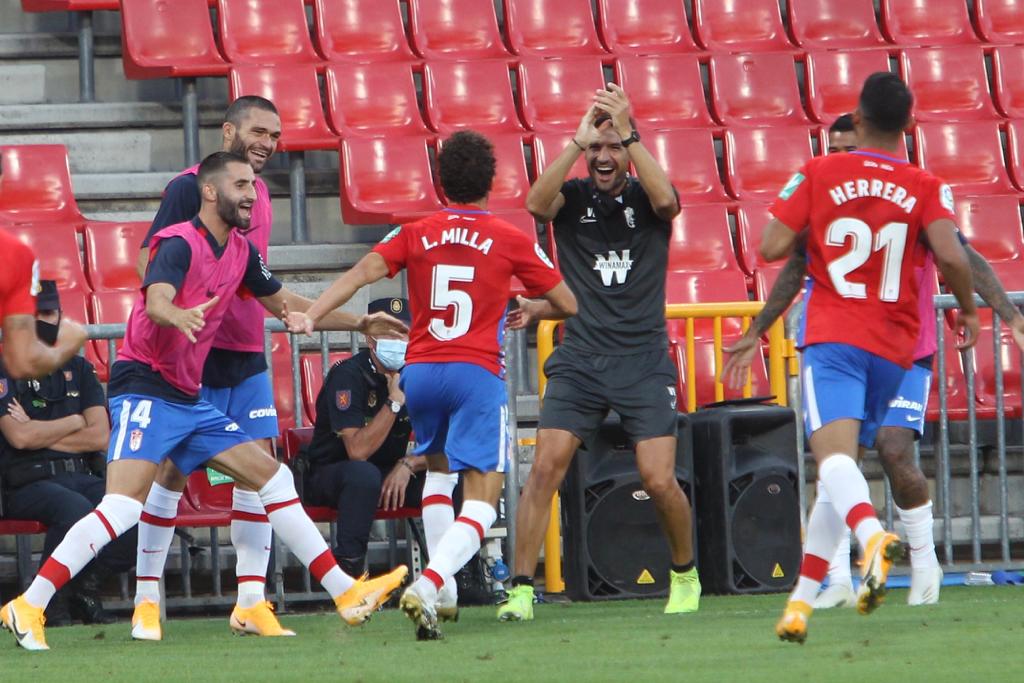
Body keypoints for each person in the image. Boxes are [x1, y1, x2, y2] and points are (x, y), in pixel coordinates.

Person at [0, 152, 409, 652]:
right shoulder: (177, 243)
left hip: (187, 398)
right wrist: (177, 315)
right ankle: (30, 604)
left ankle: (345, 593)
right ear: (211, 192)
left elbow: (286, 303)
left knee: (273, 477)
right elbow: (155, 300)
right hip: (145, 387)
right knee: (122, 507)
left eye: (253, 185)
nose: (252, 193)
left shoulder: (241, 251)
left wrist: (359, 322)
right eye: (241, 184)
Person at [723, 114, 1024, 610]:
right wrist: (758, 327)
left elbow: (962, 256)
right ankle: (839, 578)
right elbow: (794, 266)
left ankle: (923, 561)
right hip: (843, 342)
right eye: (836, 150)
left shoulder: (906, 195)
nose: (845, 159)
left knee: (893, 447)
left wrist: (1008, 313)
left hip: (904, 346)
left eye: (851, 148)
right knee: (838, 460)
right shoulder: (828, 199)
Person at [286, 130, 577, 639]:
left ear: (440, 183)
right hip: (474, 373)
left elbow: (360, 275)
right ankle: (429, 584)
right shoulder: (509, 237)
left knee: (439, 477)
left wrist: (312, 315)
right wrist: (528, 307)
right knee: (482, 501)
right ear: (491, 182)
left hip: (420, 374)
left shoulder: (416, 231)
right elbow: (568, 303)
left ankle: (445, 601)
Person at [751, 73, 980, 644]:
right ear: (910, 124)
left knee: (833, 461)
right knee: (847, 468)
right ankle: (804, 601)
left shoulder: (820, 171)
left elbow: (772, 247)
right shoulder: (927, 184)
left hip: (836, 336)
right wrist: (970, 311)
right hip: (897, 347)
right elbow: (954, 256)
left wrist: (815, 219)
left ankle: (873, 536)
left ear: (856, 118)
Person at [497, 83, 698, 622]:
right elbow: (535, 204)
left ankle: (685, 573)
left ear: (628, 151)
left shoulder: (647, 197)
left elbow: (668, 203)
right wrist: (574, 141)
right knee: (545, 468)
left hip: (642, 359)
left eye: (613, 147)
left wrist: (628, 133)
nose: (603, 157)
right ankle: (521, 590)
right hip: (581, 358)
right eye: (596, 149)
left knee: (658, 479)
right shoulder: (573, 199)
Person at [130, 96, 291, 637]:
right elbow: (151, 261)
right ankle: (146, 599)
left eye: (275, 135)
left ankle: (250, 601)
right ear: (228, 131)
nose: (268, 143)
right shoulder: (190, 187)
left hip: (247, 352)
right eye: (259, 131)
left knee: (260, 467)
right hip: (196, 352)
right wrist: (181, 312)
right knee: (171, 473)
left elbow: (258, 276)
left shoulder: (258, 194)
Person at [0, 281, 136, 626]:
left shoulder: (79, 367)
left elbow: (100, 436)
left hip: (78, 474)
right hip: (27, 481)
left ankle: (84, 587)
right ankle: (48, 602)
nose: (43, 321)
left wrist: (40, 432)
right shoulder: (4, 368)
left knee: (134, 508)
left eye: (49, 313)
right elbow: (19, 437)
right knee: (76, 511)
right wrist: (75, 422)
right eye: (34, 314)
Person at [305, 297, 426, 578]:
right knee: (363, 474)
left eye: (403, 333)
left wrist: (409, 464)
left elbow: (445, 443)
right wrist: (394, 401)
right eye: (389, 333)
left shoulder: (417, 374)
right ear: (370, 339)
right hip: (333, 473)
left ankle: (458, 573)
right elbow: (357, 452)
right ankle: (348, 575)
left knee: (450, 475)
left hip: (391, 472)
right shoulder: (348, 375)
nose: (398, 341)